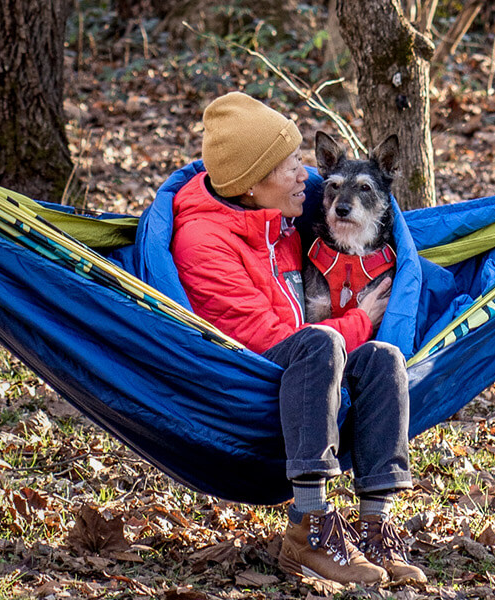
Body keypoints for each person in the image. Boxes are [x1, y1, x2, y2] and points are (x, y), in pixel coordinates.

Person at [170, 92, 425, 585]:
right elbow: (264, 336)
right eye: (289, 166)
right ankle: (308, 531)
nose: (304, 175)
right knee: (324, 343)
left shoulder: (285, 223)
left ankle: (375, 525)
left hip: (309, 366)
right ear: (250, 184)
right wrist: (358, 320)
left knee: (383, 357)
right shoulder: (203, 242)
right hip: (247, 378)